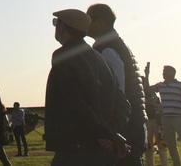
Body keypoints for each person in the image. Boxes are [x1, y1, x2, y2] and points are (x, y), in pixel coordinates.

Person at [44, 9, 126, 166]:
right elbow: (123, 103)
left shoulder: (63, 56)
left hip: (75, 147)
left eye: (56, 23)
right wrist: (112, 134)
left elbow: (75, 103)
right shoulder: (99, 58)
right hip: (101, 149)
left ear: (63, 28)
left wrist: (104, 134)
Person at [87, 4, 148, 166]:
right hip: (133, 123)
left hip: (125, 127)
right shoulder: (115, 45)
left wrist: (110, 131)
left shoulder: (107, 50)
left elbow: (116, 94)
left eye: (89, 18)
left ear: (101, 22)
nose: (86, 23)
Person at [152, 66, 181, 166]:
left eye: (165, 71)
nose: (163, 73)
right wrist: (147, 74)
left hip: (179, 118)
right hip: (166, 118)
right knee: (171, 145)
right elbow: (147, 89)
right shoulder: (161, 86)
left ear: (172, 73)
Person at [142, 64, 167, 166]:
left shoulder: (152, 92)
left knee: (161, 145)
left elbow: (159, 106)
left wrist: (147, 75)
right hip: (147, 122)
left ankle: (164, 163)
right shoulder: (140, 94)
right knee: (149, 146)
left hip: (157, 121)